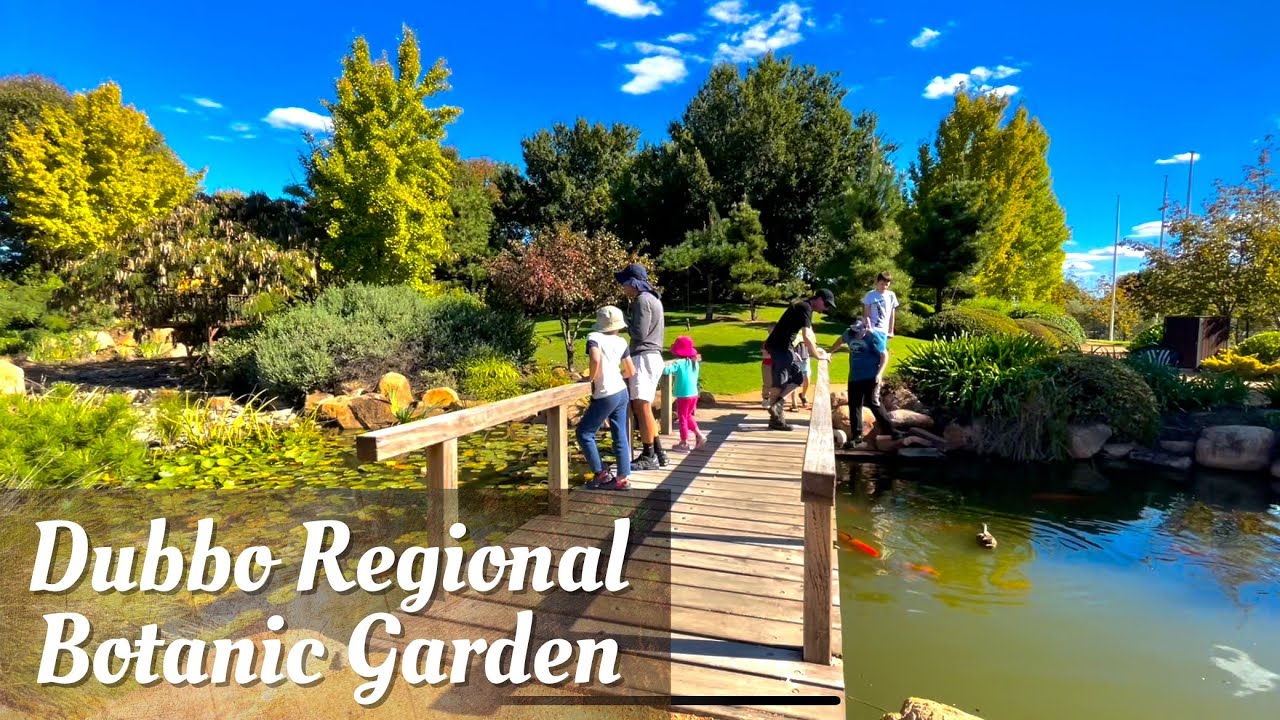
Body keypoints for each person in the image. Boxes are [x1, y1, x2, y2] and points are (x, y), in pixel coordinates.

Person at [615, 263, 667, 470]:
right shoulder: (653, 299)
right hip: (652, 357)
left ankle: (648, 456)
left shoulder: (642, 300)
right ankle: (659, 452)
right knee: (644, 408)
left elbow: (639, 333)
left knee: (641, 406)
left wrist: (621, 320)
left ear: (632, 283)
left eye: (624, 283)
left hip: (643, 357)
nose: (623, 288)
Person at [577, 306, 634, 490]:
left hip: (606, 393)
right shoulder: (621, 341)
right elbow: (631, 370)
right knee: (620, 435)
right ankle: (623, 479)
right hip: (621, 392)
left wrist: (590, 379)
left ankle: (601, 475)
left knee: (584, 432)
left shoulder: (594, 338)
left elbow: (595, 359)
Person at [763, 290, 834, 431]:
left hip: (784, 347)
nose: (825, 309)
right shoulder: (805, 307)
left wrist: (817, 349)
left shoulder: (805, 307)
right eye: (826, 304)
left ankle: (776, 408)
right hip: (780, 347)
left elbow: (810, 334)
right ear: (819, 299)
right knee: (781, 382)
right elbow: (806, 336)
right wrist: (818, 356)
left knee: (797, 377)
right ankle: (776, 420)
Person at [829, 317, 903, 449]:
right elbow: (839, 341)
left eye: (859, 330)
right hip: (854, 377)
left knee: (874, 402)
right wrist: (830, 352)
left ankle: (892, 431)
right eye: (854, 330)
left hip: (871, 376)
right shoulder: (849, 333)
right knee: (854, 405)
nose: (856, 333)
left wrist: (879, 374)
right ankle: (857, 436)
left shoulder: (873, 337)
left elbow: (884, 355)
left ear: (865, 328)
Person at [663, 336, 707, 452]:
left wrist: (659, 366)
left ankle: (684, 443)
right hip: (694, 394)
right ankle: (699, 435)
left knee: (682, 417)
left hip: (683, 395)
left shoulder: (679, 363)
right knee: (688, 416)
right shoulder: (694, 363)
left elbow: (666, 370)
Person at [863, 272, 899, 339]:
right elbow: (866, 314)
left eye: (886, 284)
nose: (884, 287)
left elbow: (892, 315)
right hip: (873, 328)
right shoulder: (870, 295)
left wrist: (891, 331)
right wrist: (869, 328)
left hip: (884, 330)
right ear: (877, 282)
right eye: (882, 284)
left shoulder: (891, 295)